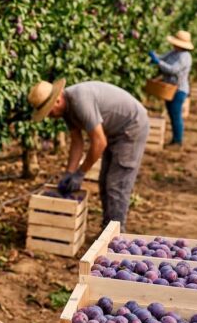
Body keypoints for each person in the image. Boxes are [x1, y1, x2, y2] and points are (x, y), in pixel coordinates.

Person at [27, 80, 149, 227]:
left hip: (132, 127)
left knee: (117, 185)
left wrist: (81, 172)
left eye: (48, 111)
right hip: (114, 131)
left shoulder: (80, 102)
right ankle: (107, 228)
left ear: (57, 100)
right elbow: (77, 142)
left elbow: (99, 142)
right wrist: (69, 173)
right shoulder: (66, 110)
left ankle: (116, 234)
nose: (49, 116)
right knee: (104, 181)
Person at [148, 30, 193, 146]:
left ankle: (178, 140)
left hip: (178, 90)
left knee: (175, 114)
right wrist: (154, 55)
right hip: (169, 88)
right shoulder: (174, 52)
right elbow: (162, 58)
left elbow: (173, 70)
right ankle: (175, 139)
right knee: (171, 112)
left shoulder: (185, 56)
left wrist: (158, 62)